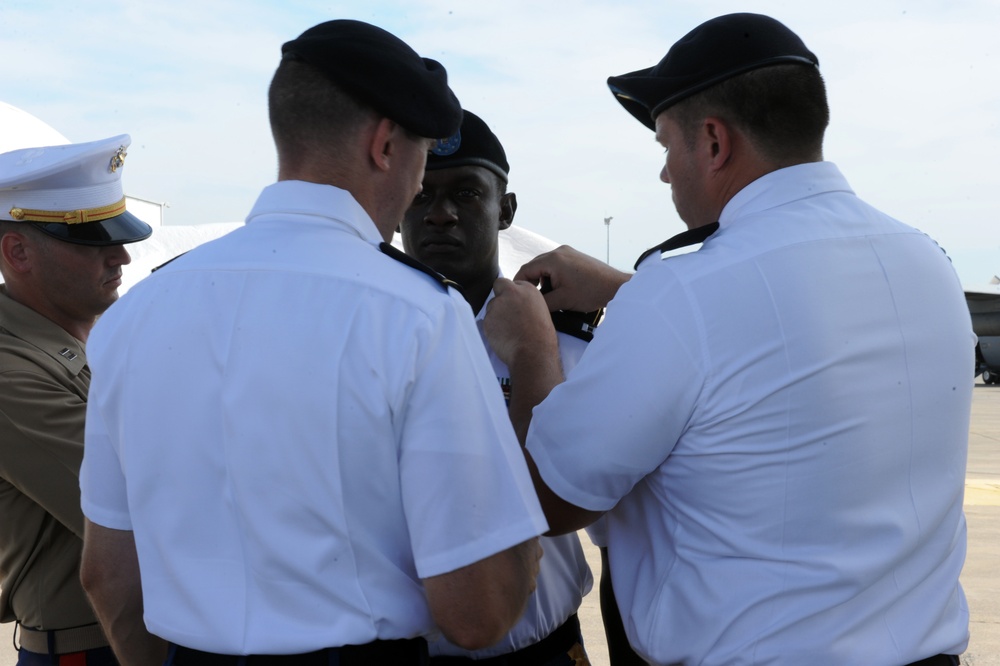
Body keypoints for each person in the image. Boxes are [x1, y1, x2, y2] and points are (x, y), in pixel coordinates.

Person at [482, 13, 972, 665]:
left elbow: (549, 493)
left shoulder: (683, 293)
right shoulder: (927, 262)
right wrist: (625, 291)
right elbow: (781, 334)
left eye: (665, 147)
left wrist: (533, 351)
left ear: (713, 141)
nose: (664, 176)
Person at [78, 19, 546, 666]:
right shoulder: (417, 314)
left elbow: (107, 575)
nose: (418, 188)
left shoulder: (140, 313)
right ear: (385, 144)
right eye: (419, 157)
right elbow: (477, 612)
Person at [400, 110, 595, 666]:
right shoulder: (368, 339)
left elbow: (619, 529)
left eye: (465, 192)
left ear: (505, 209)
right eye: (421, 195)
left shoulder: (569, 343)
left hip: (541, 649)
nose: (440, 214)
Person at [0, 135, 152, 666]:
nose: (122, 254)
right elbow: (145, 499)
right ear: (17, 252)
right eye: (92, 240)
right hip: (87, 649)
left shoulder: (113, 337)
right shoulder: (8, 374)